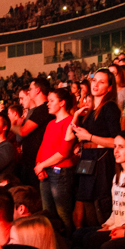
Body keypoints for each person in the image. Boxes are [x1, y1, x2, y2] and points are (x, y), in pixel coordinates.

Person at [69, 70, 122, 229]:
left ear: (109, 87)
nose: (96, 85)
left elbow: (117, 141)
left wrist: (90, 137)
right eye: (94, 81)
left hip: (101, 161)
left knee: (100, 208)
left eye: (102, 82)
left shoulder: (110, 107)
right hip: (87, 159)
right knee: (84, 208)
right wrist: (82, 143)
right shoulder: (89, 110)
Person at [33, 88, 76, 233]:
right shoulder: (51, 123)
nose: (48, 104)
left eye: (51, 101)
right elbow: (43, 147)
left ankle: (70, 244)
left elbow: (64, 152)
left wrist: (41, 165)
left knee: (63, 213)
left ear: (62, 103)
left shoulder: (69, 121)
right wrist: (39, 166)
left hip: (61, 171)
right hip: (46, 171)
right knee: (47, 213)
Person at [91, 131, 125, 240]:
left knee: (91, 239)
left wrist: (120, 228)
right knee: (80, 234)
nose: (116, 151)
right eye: (115, 146)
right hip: (115, 226)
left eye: (121, 147)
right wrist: (107, 225)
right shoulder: (117, 175)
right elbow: (115, 210)